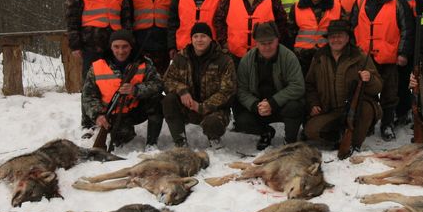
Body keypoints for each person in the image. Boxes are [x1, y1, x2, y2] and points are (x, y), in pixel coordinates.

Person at [304, 20, 382, 158]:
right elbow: (310, 84)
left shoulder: (360, 57)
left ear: (347, 37)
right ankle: (340, 137)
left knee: (366, 109)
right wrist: (314, 103)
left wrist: (369, 78)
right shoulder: (319, 57)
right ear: (328, 39)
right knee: (310, 130)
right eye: (332, 36)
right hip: (331, 110)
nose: (336, 39)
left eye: (340, 36)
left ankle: (355, 140)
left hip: (356, 109)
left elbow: (378, 87)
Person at [351, 0, 412, 140]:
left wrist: (403, 53)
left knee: (390, 93)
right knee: (365, 91)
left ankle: (387, 124)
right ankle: (368, 122)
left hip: (389, 56)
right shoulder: (361, 1)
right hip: (364, 57)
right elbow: (352, 25)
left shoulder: (399, 2)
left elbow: (407, 30)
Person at [66, 0, 131, 105]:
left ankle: (114, 115)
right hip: (91, 43)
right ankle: (90, 118)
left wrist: (129, 39)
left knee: (115, 81)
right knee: (91, 82)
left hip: (116, 45)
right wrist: (75, 44)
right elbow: (72, 16)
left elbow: (127, 16)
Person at [82, 29, 164, 150]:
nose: (121, 51)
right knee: (122, 138)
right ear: (111, 47)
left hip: (134, 110)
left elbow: (158, 84)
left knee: (159, 100)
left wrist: (135, 89)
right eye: (116, 47)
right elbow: (88, 95)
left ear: (131, 47)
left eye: (125, 46)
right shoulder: (97, 66)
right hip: (110, 113)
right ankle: (97, 129)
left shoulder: (143, 63)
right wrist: (98, 115)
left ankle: (151, 144)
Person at [234, 22, 306, 150]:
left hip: (281, 105)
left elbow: (298, 86)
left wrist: (273, 103)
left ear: (277, 40)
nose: (267, 47)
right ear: (256, 43)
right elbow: (241, 90)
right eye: (263, 44)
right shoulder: (247, 60)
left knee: (295, 106)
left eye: (270, 42)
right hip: (260, 107)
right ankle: (265, 132)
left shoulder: (288, 57)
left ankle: (290, 140)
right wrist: (256, 106)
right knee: (241, 120)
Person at [162, 22, 236, 149]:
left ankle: (214, 141)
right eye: (195, 36)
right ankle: (180, 142)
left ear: (210, 39)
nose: (199, 40)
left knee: (213, 123)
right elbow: (167, 80)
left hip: (214, 109)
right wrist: (182, 91)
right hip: (189, 106)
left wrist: (202, 107)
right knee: (169, 100)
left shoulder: (224, 60)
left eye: (203, 36)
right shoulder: (181, 57)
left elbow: (227, 91)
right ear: (191, 39)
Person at [213, 0, 290, 60]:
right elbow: (219, 20)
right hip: (234, 54)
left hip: (264, 54)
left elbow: (282, 21)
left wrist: (276, 42)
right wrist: (224, 43)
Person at [127, 0, 176, 74]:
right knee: (141, 76)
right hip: (140, 41)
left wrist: (172, 44)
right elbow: (126, 16)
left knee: (161, 77)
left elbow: (174, 17)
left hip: (162, 41)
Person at [291, 0, 342, 70]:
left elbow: (342, 32)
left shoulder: (337, 7)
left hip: (327, 54)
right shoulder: (297, 7)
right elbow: (291, 32)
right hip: (301, 55)